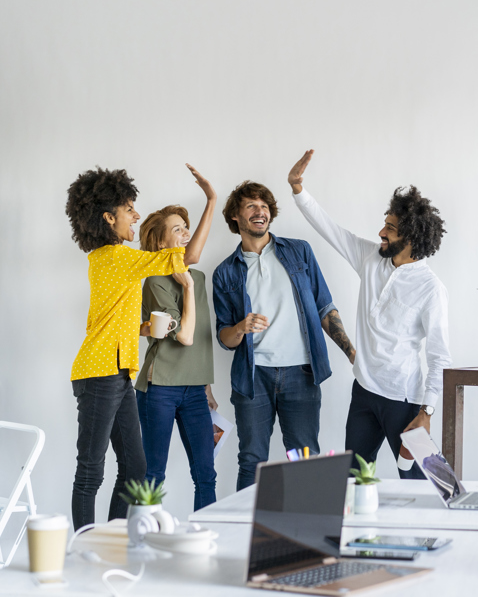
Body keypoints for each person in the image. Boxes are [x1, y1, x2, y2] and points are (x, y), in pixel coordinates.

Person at [287, 149, 451, 479]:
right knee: (354, 479)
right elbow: (329, 229)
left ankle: (443, 529)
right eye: (384, 224)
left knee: (429, 483)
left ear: (412, 237)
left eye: (390, 228)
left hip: (404, 400)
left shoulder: (430, 288)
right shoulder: (370, 258)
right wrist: (298, 190)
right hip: (364, 392)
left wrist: (427, 411)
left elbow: (439, 357)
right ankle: (361, 533)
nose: (381, 232)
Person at [66, 164, 213, 530]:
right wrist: (212, 199)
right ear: (108, 217)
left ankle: (113, 537)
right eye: (128, 208)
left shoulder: (113, 262)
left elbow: (115, 315)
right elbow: (188, 257)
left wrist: (145, 327)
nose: (135, 214)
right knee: (91, 469)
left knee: (136, 469)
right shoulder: (115, 257)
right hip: (99, 373)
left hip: (119, 373)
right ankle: (85, 542)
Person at [213, 180, 355, 491]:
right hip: (254, 379)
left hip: (301, 373)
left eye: (264, 206)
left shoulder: (299, 251)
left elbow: (324, 307)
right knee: (252, 460)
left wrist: (352, 353)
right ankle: (245, 535)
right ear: (235, 216)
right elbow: (224, 339)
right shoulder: (225, 272)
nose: (260, 211)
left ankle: (310, 533)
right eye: (251, 205)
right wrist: (241, 327)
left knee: (305, 458)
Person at [135, 169, 218, 511]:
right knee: (153, 475)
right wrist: (186, 288)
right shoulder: (155, 281)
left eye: (186, 227)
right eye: (177, 229)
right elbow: (184, 336)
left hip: (195, 389)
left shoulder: (195, 275)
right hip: (161, 387)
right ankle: (142, 539)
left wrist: (207, 386)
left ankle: (206, 537)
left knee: (206, 473)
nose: (186, 233)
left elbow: (201, 338)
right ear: (160, 242)